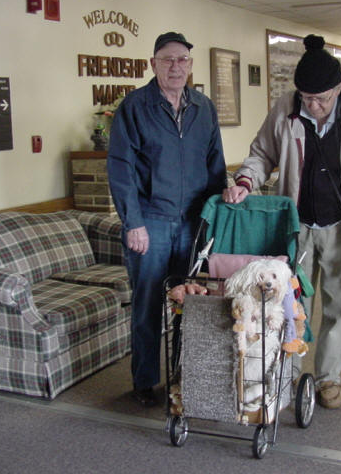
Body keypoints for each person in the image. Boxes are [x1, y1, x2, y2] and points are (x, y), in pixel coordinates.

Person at [223, 34, 341, 409]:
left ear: (338, 89)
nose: (313, 106)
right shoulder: (286, 109)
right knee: (291, 302)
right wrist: (245, 181)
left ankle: (328, 378)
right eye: (306, 98)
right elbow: (262, 153)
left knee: (339, 304)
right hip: (296, 224)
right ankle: (286, 374)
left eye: (321, 99)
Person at [108, 32, 227, 407]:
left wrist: (214, 219)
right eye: (167, 59)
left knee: (191, 303)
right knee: (147, 305)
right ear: (153, 64)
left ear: (191, 65)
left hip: (193, 223)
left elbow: (215, 166)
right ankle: (144, 382)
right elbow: (121, 169)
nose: (175, 67)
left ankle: (182, 375)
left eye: (182, 60)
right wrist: (133, 223)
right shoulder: (134, 107)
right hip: (151, 222)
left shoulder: (204, 108)